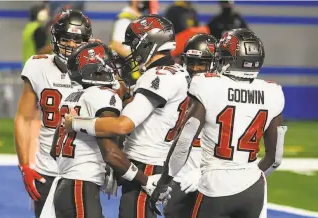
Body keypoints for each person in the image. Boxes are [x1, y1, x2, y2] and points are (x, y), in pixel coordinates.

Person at [151, 28, 287, 218]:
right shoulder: (272, 92)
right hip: (253, 188)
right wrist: (246, 174)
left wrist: (165, 182)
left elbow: (184, 142)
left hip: (216, 185)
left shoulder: (208, 85)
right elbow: (276, 157)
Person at [64, 14, 190, 218]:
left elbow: (123, 125)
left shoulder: (159, 77)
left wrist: (76, 123)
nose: (132, 51)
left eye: (134, 45)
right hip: (155, 160)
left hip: (147, 165)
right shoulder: (176, 72)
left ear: (148, 43)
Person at [39, 42, 168, 218]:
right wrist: (145, 181)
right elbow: (110, 153)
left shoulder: (72, 97)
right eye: (110, 66)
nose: (114, 71)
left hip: (65, 186)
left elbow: (55, 149)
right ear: (97, 69)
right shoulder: (103, 95)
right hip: (80, 188)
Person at [14, 9, 92, 218]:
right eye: (66, 39)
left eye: (78, 40)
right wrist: (25, 166)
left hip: (84, 169)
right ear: (55, 39)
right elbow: (24, 117)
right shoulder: (38, 66)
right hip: (46, 168)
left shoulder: (99, 69)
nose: (72, 46)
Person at [164, 33, 217, 218]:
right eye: (192, 62)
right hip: (177, 176)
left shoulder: (222, 93)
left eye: (201, 63)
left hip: (209, 176)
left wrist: (204, 171)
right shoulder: (175, 84)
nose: (195, 68)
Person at [110, 0, 158, 85]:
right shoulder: (125, 19)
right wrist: (138, 59)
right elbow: (117, 45)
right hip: (127, 70)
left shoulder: (139, 18)